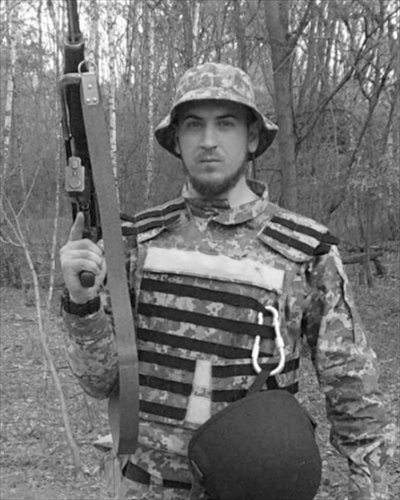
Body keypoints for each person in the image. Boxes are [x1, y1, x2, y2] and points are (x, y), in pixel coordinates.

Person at [60, 63, 394, 500]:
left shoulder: (305, 252)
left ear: (252, 137)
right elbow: (100, 380)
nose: (208, 140)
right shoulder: (135, 243)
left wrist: (371, 490)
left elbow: (356, 400)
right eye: (193, 125)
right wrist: (82, 301)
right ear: (176, 140)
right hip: (145, 489)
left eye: (226, 123)